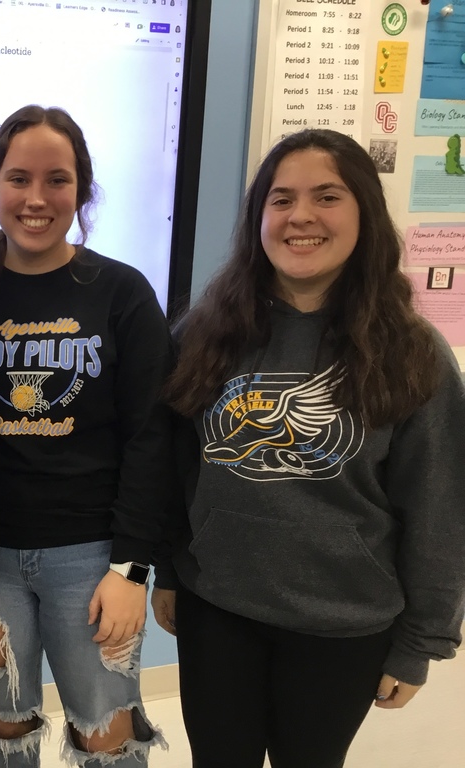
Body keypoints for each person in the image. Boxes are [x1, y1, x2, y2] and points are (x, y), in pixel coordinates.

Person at [155, 128, 465, 768]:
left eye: (326, 196)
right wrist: (168, 572)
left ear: (365, 214)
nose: (301, 216)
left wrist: (422, 640)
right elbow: (173, 471)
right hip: (218, 609)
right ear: (258, 219)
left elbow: (440, 511)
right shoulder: (205, 334)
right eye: (281, 199)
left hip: (343, 623)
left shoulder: (415, 356)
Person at [0, 105, 174, 767]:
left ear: (82, 191)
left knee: (106, 734)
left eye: (57, 180)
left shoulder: (121, 293)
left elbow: (150, 436)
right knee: (0, 726)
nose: (36, 198)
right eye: (18, 179)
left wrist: (131, 568)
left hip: (92, 560)